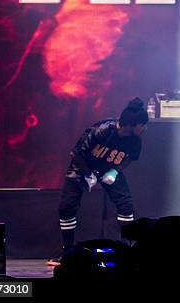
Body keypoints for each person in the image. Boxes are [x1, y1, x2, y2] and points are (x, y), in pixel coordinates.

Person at [48, 98, 149, 265]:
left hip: (108, 168)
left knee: (126, 204)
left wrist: (114, 171)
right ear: (133, 124)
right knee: (67, 207)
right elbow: (76, 153)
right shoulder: (101, 131)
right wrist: (88, 174)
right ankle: (68, 252)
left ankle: (126, 250)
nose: (145, 129)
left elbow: (130, 157)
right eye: (143, 125)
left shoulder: (135, 140)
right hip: (82, 168)